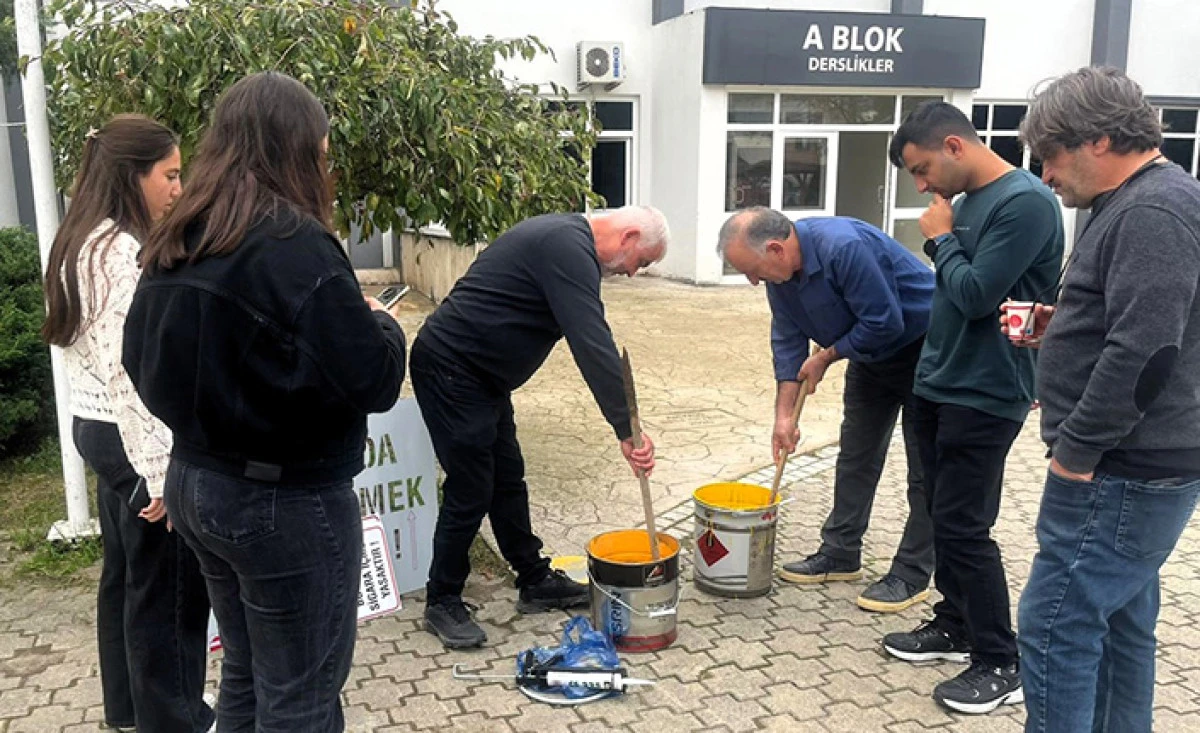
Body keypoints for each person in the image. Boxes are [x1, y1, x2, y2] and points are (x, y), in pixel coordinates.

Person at [122, 72, 407, 732]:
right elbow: (374, 379)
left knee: (248, 674)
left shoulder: (180, 236)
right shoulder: (294, 244)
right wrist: (383, 324)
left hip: (198, 483)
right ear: (298, 148)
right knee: (303, 696)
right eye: (322, 150)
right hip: (286, 504)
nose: (325, 165)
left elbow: (139, 357)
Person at [1012, 67, 1200, 733]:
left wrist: (1076, 453)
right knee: (1119, 623)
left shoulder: (1151, 209)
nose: (1047, 176)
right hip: (1135, 466)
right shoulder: (1144, 202)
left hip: (1118, 469)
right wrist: (1060, 331)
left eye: (1051, 157)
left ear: (1096, 140)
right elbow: (1131, 328)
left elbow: (1146, 353)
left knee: (1054, 624)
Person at [410, 206, 666, 649]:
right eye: (640, 262)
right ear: (628, 237)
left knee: (508, 477)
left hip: (482, 376)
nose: (633, 274)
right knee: (472, 486)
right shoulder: (566, 246)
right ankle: (442, 599)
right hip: (452, 369)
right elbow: (591, 340)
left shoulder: (568, 241)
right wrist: (627, 428)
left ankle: (533, 579)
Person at [882, 101, 1064, 714]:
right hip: (940, 380)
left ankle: (1000, 659)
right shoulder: (965, 204)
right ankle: (956, 622)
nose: (921, 185)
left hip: (987, 389)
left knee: (965, 525)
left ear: (955, 145)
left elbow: (979, 294)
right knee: (939, 511)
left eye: (922, 168)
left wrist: (941, 242)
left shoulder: (1025, 203)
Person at [40, 115, 213, 733]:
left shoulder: (78, 239)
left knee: (126, 577)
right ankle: (175, 718)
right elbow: (128, 370)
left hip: (96, 428)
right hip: (130, 435)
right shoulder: (117, 253)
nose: (179, 185)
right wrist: (162, 475)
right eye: (168, 174)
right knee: (168, 593)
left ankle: (129, 709)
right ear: (131, 176)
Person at [717, 207, 936, 613]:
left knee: (925, 467)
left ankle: (912, 572)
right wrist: (784, 418)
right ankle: (840, 553)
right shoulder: (780, 275)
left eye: (753, 271)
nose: (752, 281)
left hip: (926, 349)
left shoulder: (844, 248)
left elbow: (885, 321)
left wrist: (828, 357)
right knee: (856, 454)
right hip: (872, 356)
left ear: (776, 249)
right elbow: (787, 340)